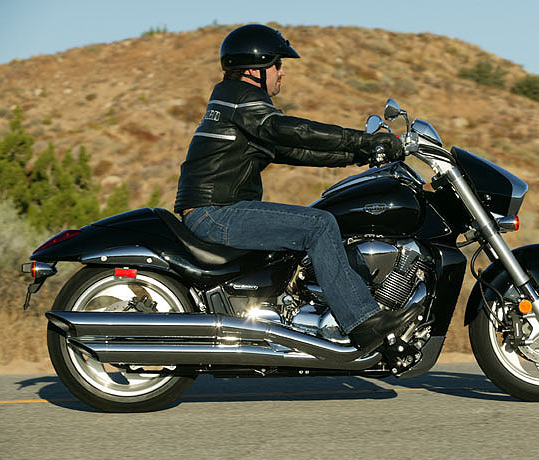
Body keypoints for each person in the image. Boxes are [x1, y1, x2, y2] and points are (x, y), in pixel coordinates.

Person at [174, 24, 419, 353]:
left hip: (216, 209)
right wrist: (362, 140)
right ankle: (363, 324)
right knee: (319, 224)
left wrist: (360, 155)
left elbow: (294, 151)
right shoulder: (242, 100)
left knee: (320, 222)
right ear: (255, 69)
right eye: (277, 64)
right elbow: (290, 131)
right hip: (215, 213)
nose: (282, 72)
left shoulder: (234, 101)